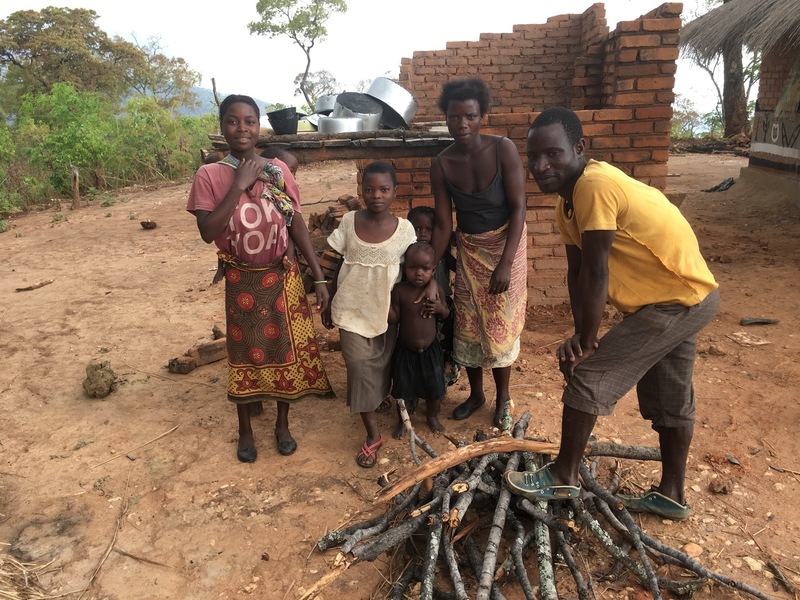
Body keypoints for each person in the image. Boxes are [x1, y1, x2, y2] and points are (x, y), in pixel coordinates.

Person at [503, 107, 720, 520]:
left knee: (589, 375)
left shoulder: (595, 185)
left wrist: (587, 343)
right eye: (533, 158)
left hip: (679, 299)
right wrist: (579, 331)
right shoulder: (566, 205)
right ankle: (672, 494)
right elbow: (577, 271)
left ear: (579, 147)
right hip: (680, 297)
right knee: (670, 397)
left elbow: (598, 270)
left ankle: (563, 475)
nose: (541, 166)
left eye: (553, 154)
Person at [186, 94, 334, 463]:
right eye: (233, 121)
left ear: (258, 127)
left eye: (249, 121)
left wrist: (318, 278)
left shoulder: (277, 171)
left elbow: (295, 223)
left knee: (283, 351)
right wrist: (238, 184)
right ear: (222, 127)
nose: (242, 128)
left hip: (280, 277)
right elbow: (208, 231)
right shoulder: (210, 175)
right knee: (245, 355)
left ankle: (282, 424)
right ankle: (246, 430)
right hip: (242, 280)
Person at [430, 77, 528, 427]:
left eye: (470, 116)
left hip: (507, 244)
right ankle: (476, 394)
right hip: (469, 248)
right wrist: (429, 272)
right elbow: (443, 225)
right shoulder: (441, 163)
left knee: (500, 323)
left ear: (482, 115)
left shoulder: (503, 149)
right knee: (468, 323)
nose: (462, 124)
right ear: (446, 118)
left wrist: (504, 263)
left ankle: (503, 398)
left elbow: (518, 208)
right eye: (454, 117)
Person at [322, 161, 417, 468]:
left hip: (385, 313)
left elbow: (415, 271)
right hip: (350, 309)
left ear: (395, 192)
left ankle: (377, 397)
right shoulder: (350, 221)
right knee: (359, 366)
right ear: (361, 191)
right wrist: (326, 296)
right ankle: (373, 433)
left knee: (381, 362)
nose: (376, 195)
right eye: (369, 189)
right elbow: (331, 260)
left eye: (384, 189)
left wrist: (407, 307)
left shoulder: (405, 230)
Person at [211, 146, 301, 286]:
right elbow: (224, 232)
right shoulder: (238, 184)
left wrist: (289, 256)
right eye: (290, 171)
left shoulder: (281, 195)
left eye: (294, 173)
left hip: (273, 269)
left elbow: (292, 229)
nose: (292, 178)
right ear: (274, 166)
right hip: (241, 266)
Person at [388, 242, 450, 438]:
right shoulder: (400, 291)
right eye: (412, 268)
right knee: (403, 389)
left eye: (425, 269)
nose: (418, 273)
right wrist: (381, 301)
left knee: (434, 387)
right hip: (405, 349)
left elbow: (446, 314)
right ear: (404, 268)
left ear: (433, 270)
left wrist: (440, 309)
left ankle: (432, 417)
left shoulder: (436, 289)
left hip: (431, 349)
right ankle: (403, 421)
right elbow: (395, 318)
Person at [407, 206, 460, 387]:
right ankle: (415, 387)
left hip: (442, 308)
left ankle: (439, 386)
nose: (422, 233)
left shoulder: (440, 252)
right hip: (415, 310)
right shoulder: (407, 254)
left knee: (441, 350)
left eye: (428, 229)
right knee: (417, 350)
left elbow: (459, 268)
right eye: (417, 228)